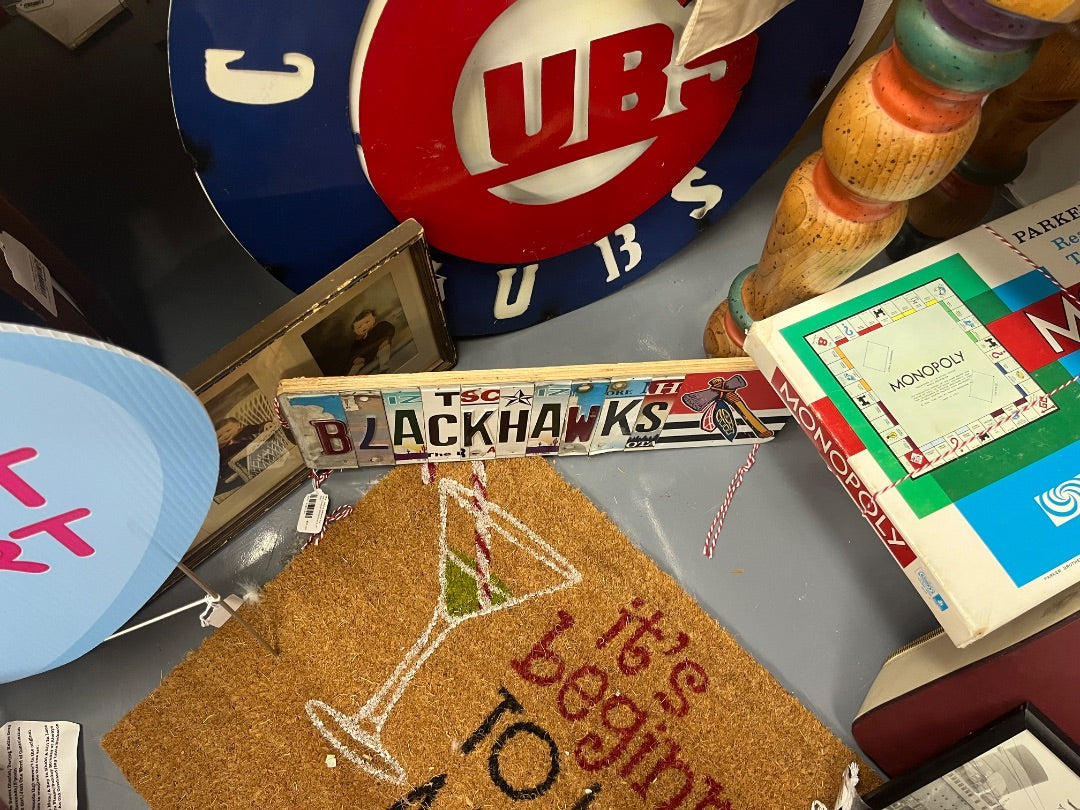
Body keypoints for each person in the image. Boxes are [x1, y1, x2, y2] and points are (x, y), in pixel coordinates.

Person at [215, 416, 270, 492]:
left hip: (251, 455)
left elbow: (257, 427)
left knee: (262, 449)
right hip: (233, 467)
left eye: (228, 430)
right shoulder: (220, 450)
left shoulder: (243, 432)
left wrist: (265, 425)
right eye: (219, 436)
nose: (225, 435)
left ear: (238, 426)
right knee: (226, 475)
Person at [347, 309, 395, 374]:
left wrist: (386, 339)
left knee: (384, 349)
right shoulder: (358, 340)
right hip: (365, 357)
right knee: (356, 366)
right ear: (355, 331)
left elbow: (390, 328)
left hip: (379, 348)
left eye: (367, 322)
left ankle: (384, 367)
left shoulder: (381, 326)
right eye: (359, 327)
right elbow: (353, 351)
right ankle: (350, 377)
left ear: (374, 318)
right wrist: (354, 359)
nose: (364, 327)